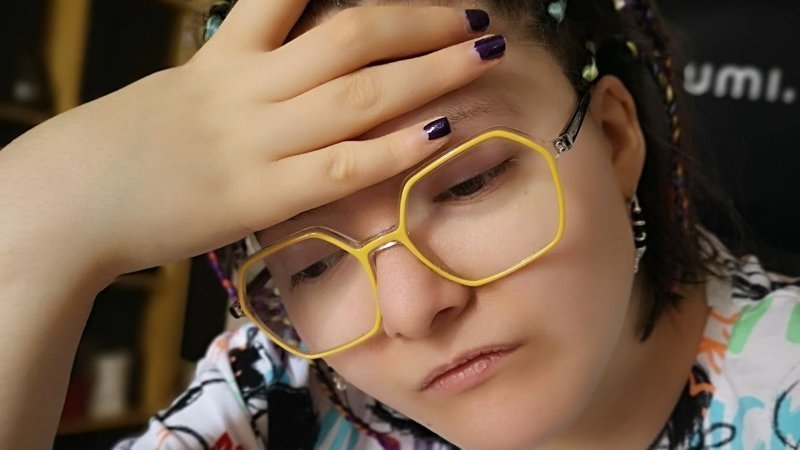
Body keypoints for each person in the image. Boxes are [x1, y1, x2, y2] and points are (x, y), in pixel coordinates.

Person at [1, 0, 798, 449]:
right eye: (313, 265)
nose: (413, 307)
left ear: (616, 139)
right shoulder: (278, 391)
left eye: (473, 181)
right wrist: (38, 204)